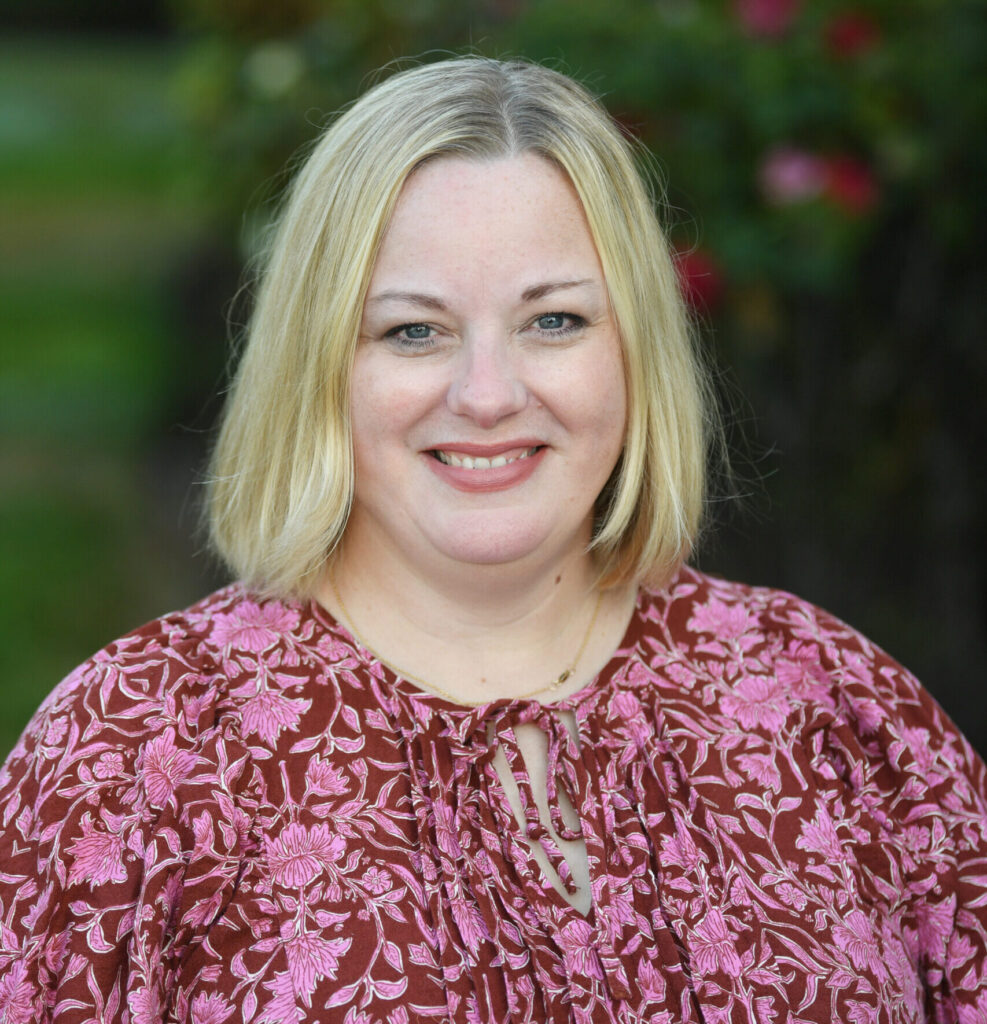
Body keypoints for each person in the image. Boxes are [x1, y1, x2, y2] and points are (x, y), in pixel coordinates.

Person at [1, 56, 985, 1024]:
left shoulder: (836, 707)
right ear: (317, 365)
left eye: (554, 321)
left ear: (633, 349)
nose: (487, 395)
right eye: (413, 332)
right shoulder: (133, 749)